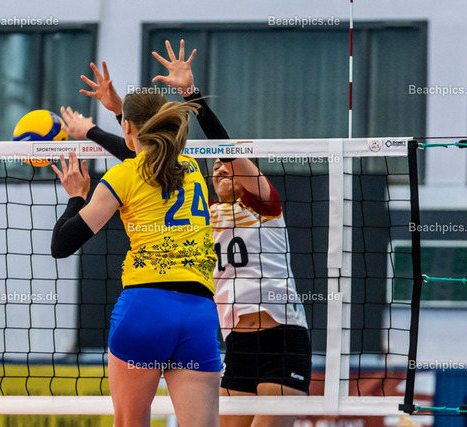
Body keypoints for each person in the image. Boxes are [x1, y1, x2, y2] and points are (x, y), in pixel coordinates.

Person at [64, 39, 311, 427]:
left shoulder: (266, 207)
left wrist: (189, 94)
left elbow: (222, 148)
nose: (220, 168)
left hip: (282, 337)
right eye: (217, 167)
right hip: (232, 339)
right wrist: (112, 119)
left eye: (229, 166)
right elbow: (147, 159)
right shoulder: (200, 207)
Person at [50, 90, 221, 426]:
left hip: (145, 311)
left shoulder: (122, 177)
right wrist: (106, 123)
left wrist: (76, 197)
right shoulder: (190, 167)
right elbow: (144, 153)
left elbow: (61, 245)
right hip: (198, 314)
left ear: (128, 127)